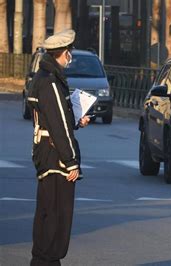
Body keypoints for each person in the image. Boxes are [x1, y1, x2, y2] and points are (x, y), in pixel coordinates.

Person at [27, 29, 91, 266]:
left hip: (48, 153)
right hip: (56, 157)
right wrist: (71, 161)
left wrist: (77, 121)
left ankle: (44, 260)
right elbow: (58, 126)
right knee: (57, 214)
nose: (70, 56)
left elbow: (57, 118)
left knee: (47, 211)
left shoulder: (44, 77)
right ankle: (47, 261)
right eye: (69, 52)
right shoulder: (51, 82)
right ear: (64, 53)